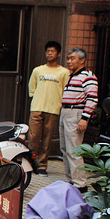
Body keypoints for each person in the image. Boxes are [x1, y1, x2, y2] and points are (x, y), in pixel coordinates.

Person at [26, 40, 69, 175]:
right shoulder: (38, 70)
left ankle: (42, 165)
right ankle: (31, 163)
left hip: (53, 109)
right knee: (33, 137)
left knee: (47, 138)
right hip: (37, 107)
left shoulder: (64, 72)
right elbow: (31, 88)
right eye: (48, 51)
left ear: (59, 54)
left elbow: (65, 90)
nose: (50, 54)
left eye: (53, 51)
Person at [59, 47, 98, 192]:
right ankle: (71, 179)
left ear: (82, 60)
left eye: (72, 58)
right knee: (65, 148)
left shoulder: (88, 76)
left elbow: (92, 98)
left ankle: (80, 183)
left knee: (74, 149)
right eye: (68, 58)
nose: (69, 61)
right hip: (65, 111)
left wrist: (84, 118)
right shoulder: (72, 76)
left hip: (75, 112)